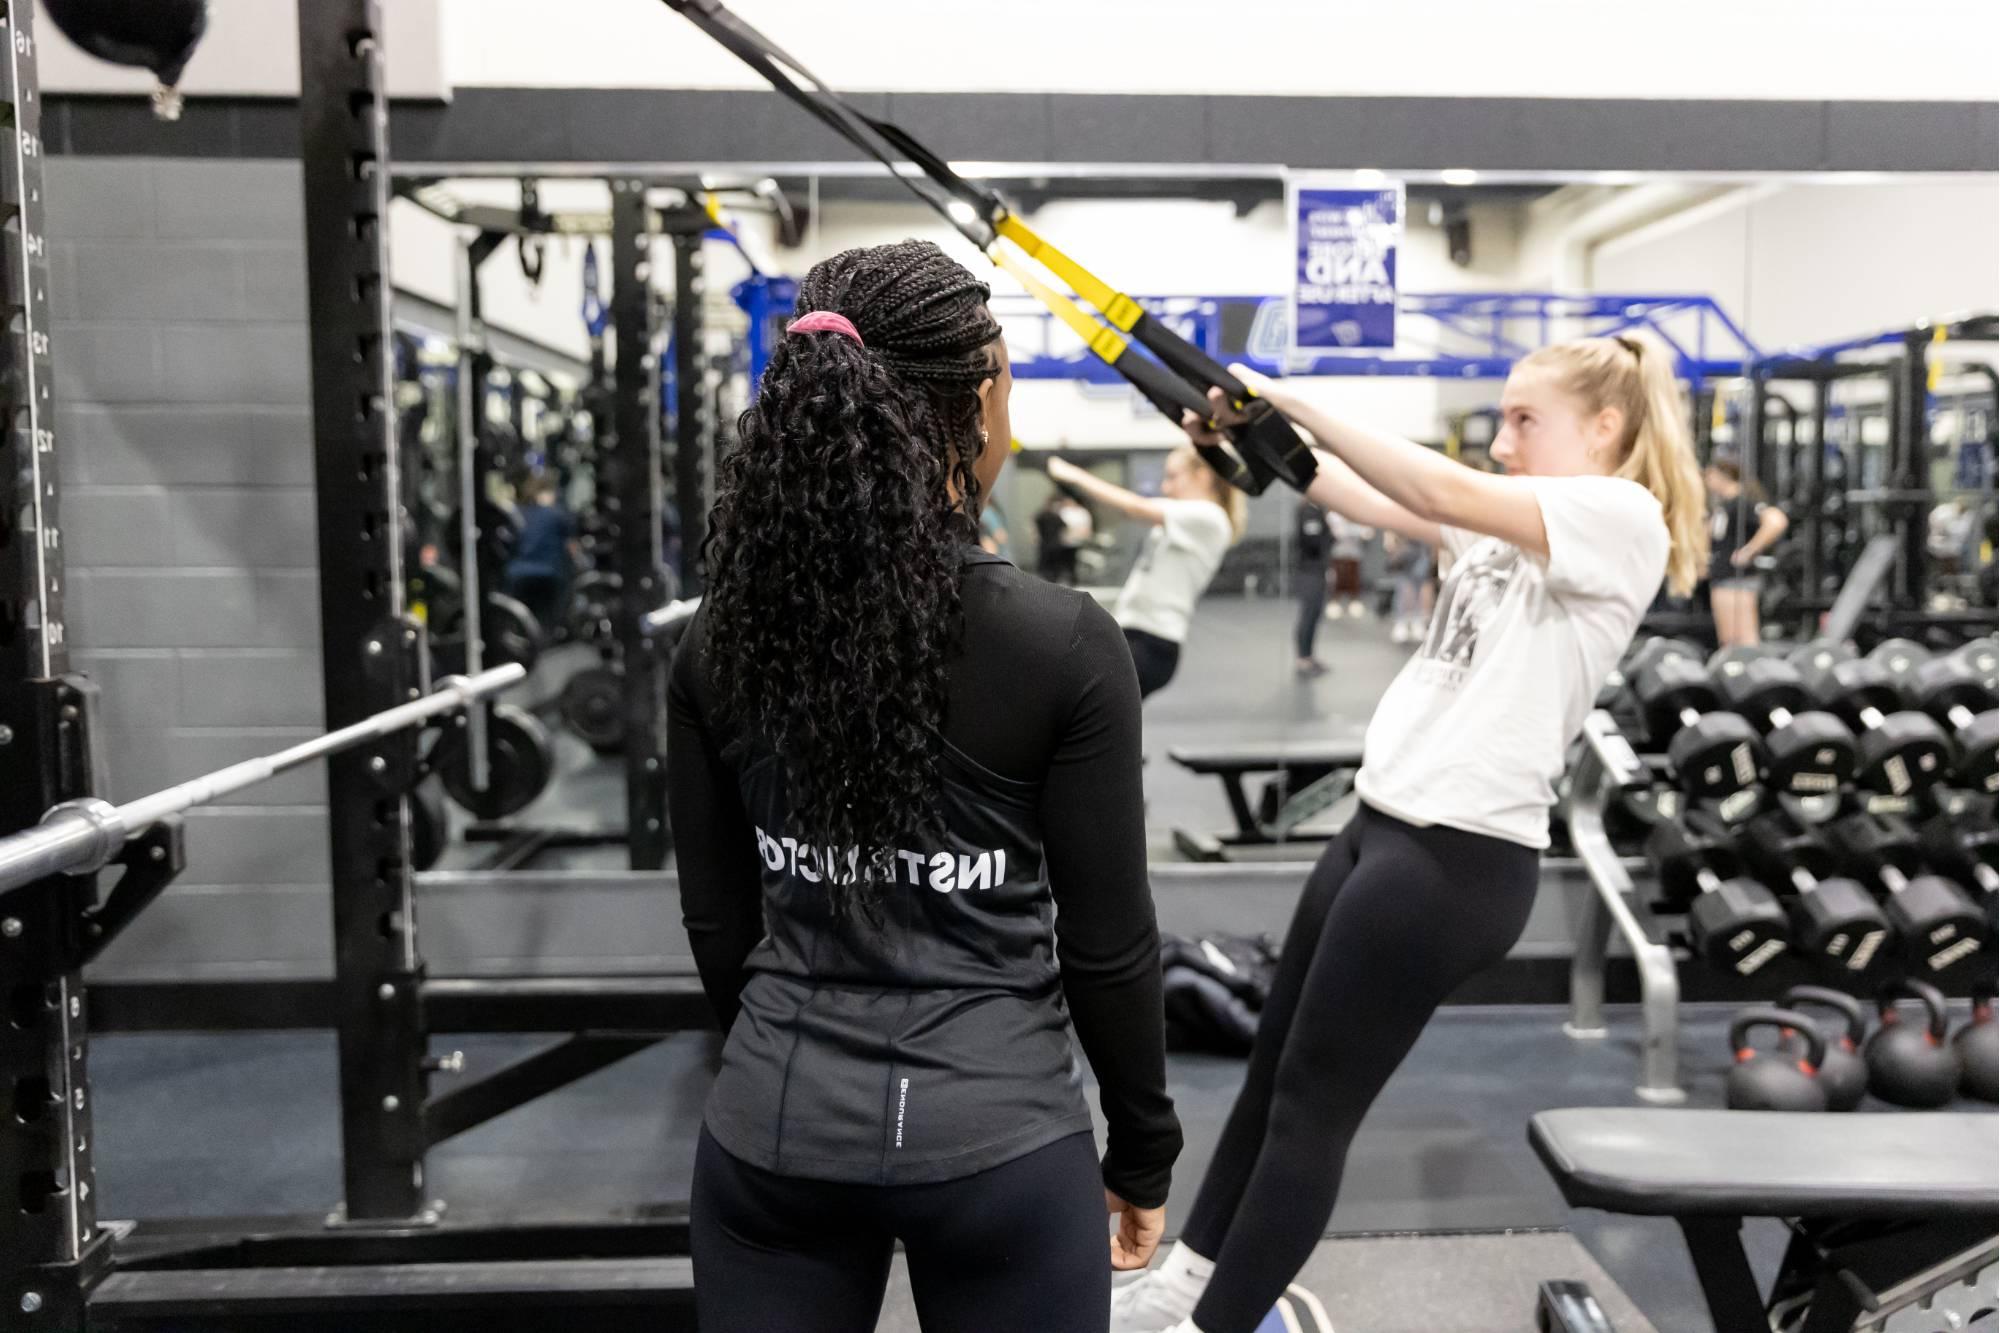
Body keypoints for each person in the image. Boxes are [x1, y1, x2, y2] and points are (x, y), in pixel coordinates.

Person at [1112, 331, 1706, 1333]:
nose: (1503, 439)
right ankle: (1190, 1279)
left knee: (1310, 1111)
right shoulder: (1510, 523)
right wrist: (1240, 437)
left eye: (1526, 420)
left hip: (1453, 860)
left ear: (1604, 427)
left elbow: (1433, 491)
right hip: (1379, 827)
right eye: (1502, 418)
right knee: (1269, 1079)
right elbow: (1347, 490)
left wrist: (1289, 395)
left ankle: (1209, 1329)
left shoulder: (1618, 517)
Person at [666, 240, 1181, 1333]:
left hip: (774, 1129)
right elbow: (1106, 943)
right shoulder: (1065, 644)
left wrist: (779, 1052)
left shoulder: (721, 640)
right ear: (979, 403)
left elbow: (719, 917)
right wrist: (1142, 1149)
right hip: (997, 1140)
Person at [1046, 447, 1246, 700]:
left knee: (1080, 708)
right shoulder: (1187, 519)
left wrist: (1074, 475)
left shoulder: (1210, 517)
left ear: (1203, 476)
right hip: (1136, 637)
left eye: (1173, 477)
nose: (1166, 487)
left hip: (1152, 644)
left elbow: (1134, 506)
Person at [1703, 449, 1788, 648]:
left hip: (1737, 578)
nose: (1707, 481)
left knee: (1744, 640)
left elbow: (1777, 521)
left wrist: (1749, 551)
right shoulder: (1724, 506)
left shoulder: (1743, 503)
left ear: (1723, 475)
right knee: (1729, 641)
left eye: (1710, 475)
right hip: (1722, 576)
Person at [501, 473, 580, 638]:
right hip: (549, 575)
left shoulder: (517, 514)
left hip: (518, 575)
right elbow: (572, 549)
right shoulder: (558, 515)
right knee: (547, 620)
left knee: (521, 621)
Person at [1291, 499, 1332, 677]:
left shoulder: (1317, 509)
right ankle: (1303, 659)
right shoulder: (1308, 511)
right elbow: (1312, 541)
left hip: (1316, 570)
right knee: (1308, 614)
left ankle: (1309, 656)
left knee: (1314, 614)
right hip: (1309, 571)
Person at [1383, 531, 1434, 645]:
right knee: (1404, 587)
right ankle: (1402, 621)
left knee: (1421, 588)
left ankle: (1417, 621)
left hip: (1423, 549)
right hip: (1405, 549)